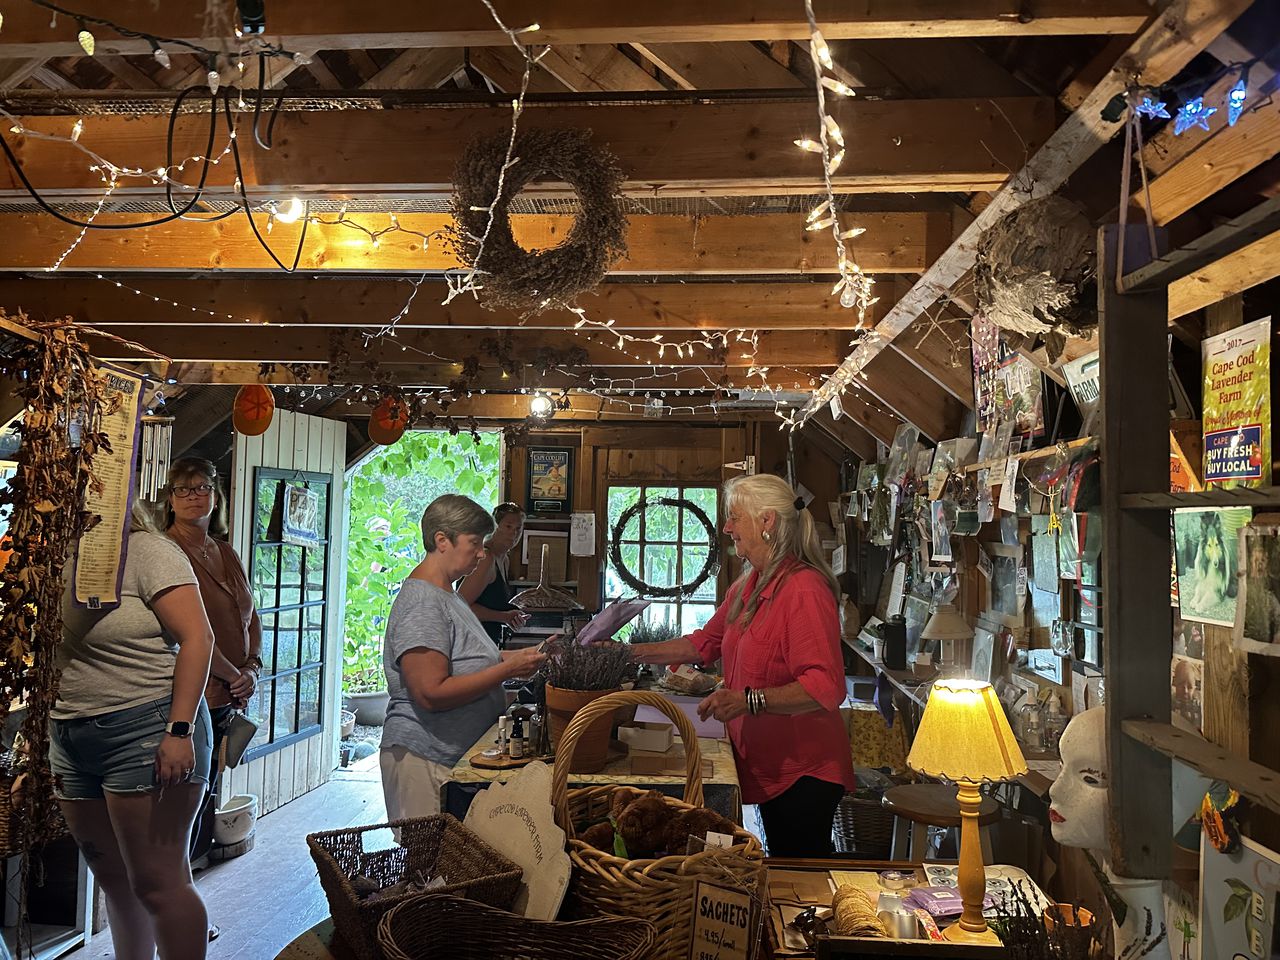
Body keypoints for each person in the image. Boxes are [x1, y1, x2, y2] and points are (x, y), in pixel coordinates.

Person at [634, 474, 855, 857]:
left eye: (735, 517)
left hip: (804, 771)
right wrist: (627, 654)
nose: (727, 527)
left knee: (797, 878)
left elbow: (825, 687)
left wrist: (747, 701)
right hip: (771, 766)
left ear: (767, 521)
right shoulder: (748, 585)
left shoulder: (803, 589)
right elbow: (703, 642)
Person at [52, 502, 215, 960]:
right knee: (116, 884)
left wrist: (179, 729)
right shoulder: (50, 555)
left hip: (147, 724)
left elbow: (198, 637)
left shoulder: (146, 552)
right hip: (70, 732)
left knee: (158, 883)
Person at [380, 494, 546, 822]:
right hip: (423, 758)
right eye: (475, 543)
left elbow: (466, 656)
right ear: (442, 540)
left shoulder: (447, 594)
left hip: (447, 757)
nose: (482, 552)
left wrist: (518, 656)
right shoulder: (423, 603)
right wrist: (507, 669)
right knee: (430, 869)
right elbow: (431, 693)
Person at [161, 458, 262, 870]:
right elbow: (188, 632)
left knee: (207, 794)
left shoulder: (224, 551)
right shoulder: (167, 551)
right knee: (182, 803)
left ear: (215, 496)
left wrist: (253, 667)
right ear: (169, 499)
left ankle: (188, 891)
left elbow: (251, 616)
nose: (193, 497)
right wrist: (231, 673)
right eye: (183, 490)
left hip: (227, 694)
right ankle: (174, 898)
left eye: (201, 488)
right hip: (192, 695)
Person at [458, 502, 530, 645]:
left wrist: (513, 614)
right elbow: (460, 607)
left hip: (488, 642)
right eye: (508, 526)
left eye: (518, 529)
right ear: (495, 526)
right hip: (471, 644)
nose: (513, 534)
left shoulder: (504, 560)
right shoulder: (485, 558)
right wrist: (503, 617)